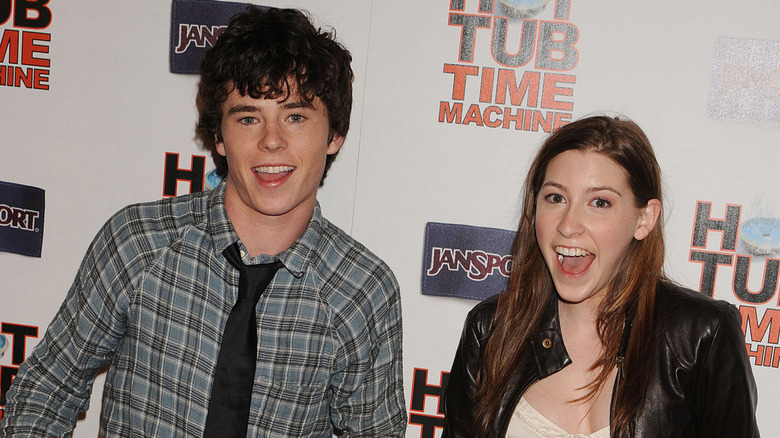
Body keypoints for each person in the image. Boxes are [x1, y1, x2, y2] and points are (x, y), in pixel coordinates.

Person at [1, 6, 406, 437]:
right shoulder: (138, 241)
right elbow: (48, 387)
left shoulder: (364, 291)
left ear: (335, 135)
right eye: (248, 117)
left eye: (295, 116)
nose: (272, 140)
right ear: (219, 136)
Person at [442, 115, 759, 437]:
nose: (568, 225)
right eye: (556, 198)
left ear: (644, 218)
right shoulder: (492, 329)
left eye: (599, 202)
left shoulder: (700, 335)